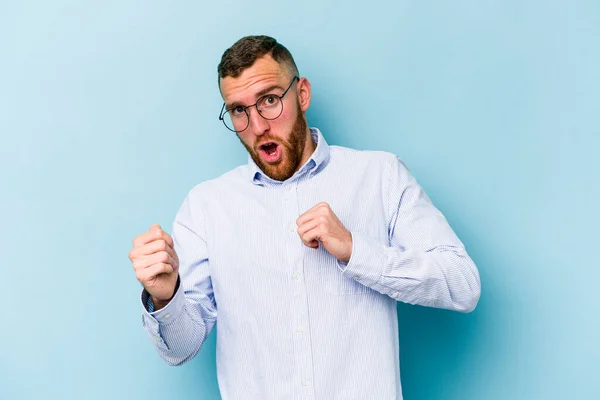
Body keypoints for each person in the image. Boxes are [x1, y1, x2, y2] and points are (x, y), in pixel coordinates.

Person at [128, 35, 481, 400]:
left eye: (269, 100)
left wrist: (355, 250)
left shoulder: (379, 177)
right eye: (239, 110)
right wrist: (165, 296)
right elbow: (180, 349)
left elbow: (462, 284)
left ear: (302, 94)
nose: (258, 126)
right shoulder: (205, 206)